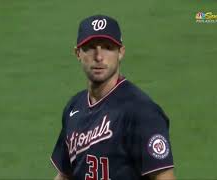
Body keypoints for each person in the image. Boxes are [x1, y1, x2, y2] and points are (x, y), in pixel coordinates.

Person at [51, 14, 175, 180]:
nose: (99, 56)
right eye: (90, 47)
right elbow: (65, 175)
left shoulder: (141, 112)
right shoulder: (74, 107)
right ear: (77, 53)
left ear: (121, 53)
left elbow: (164, 177)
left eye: (108, 47)